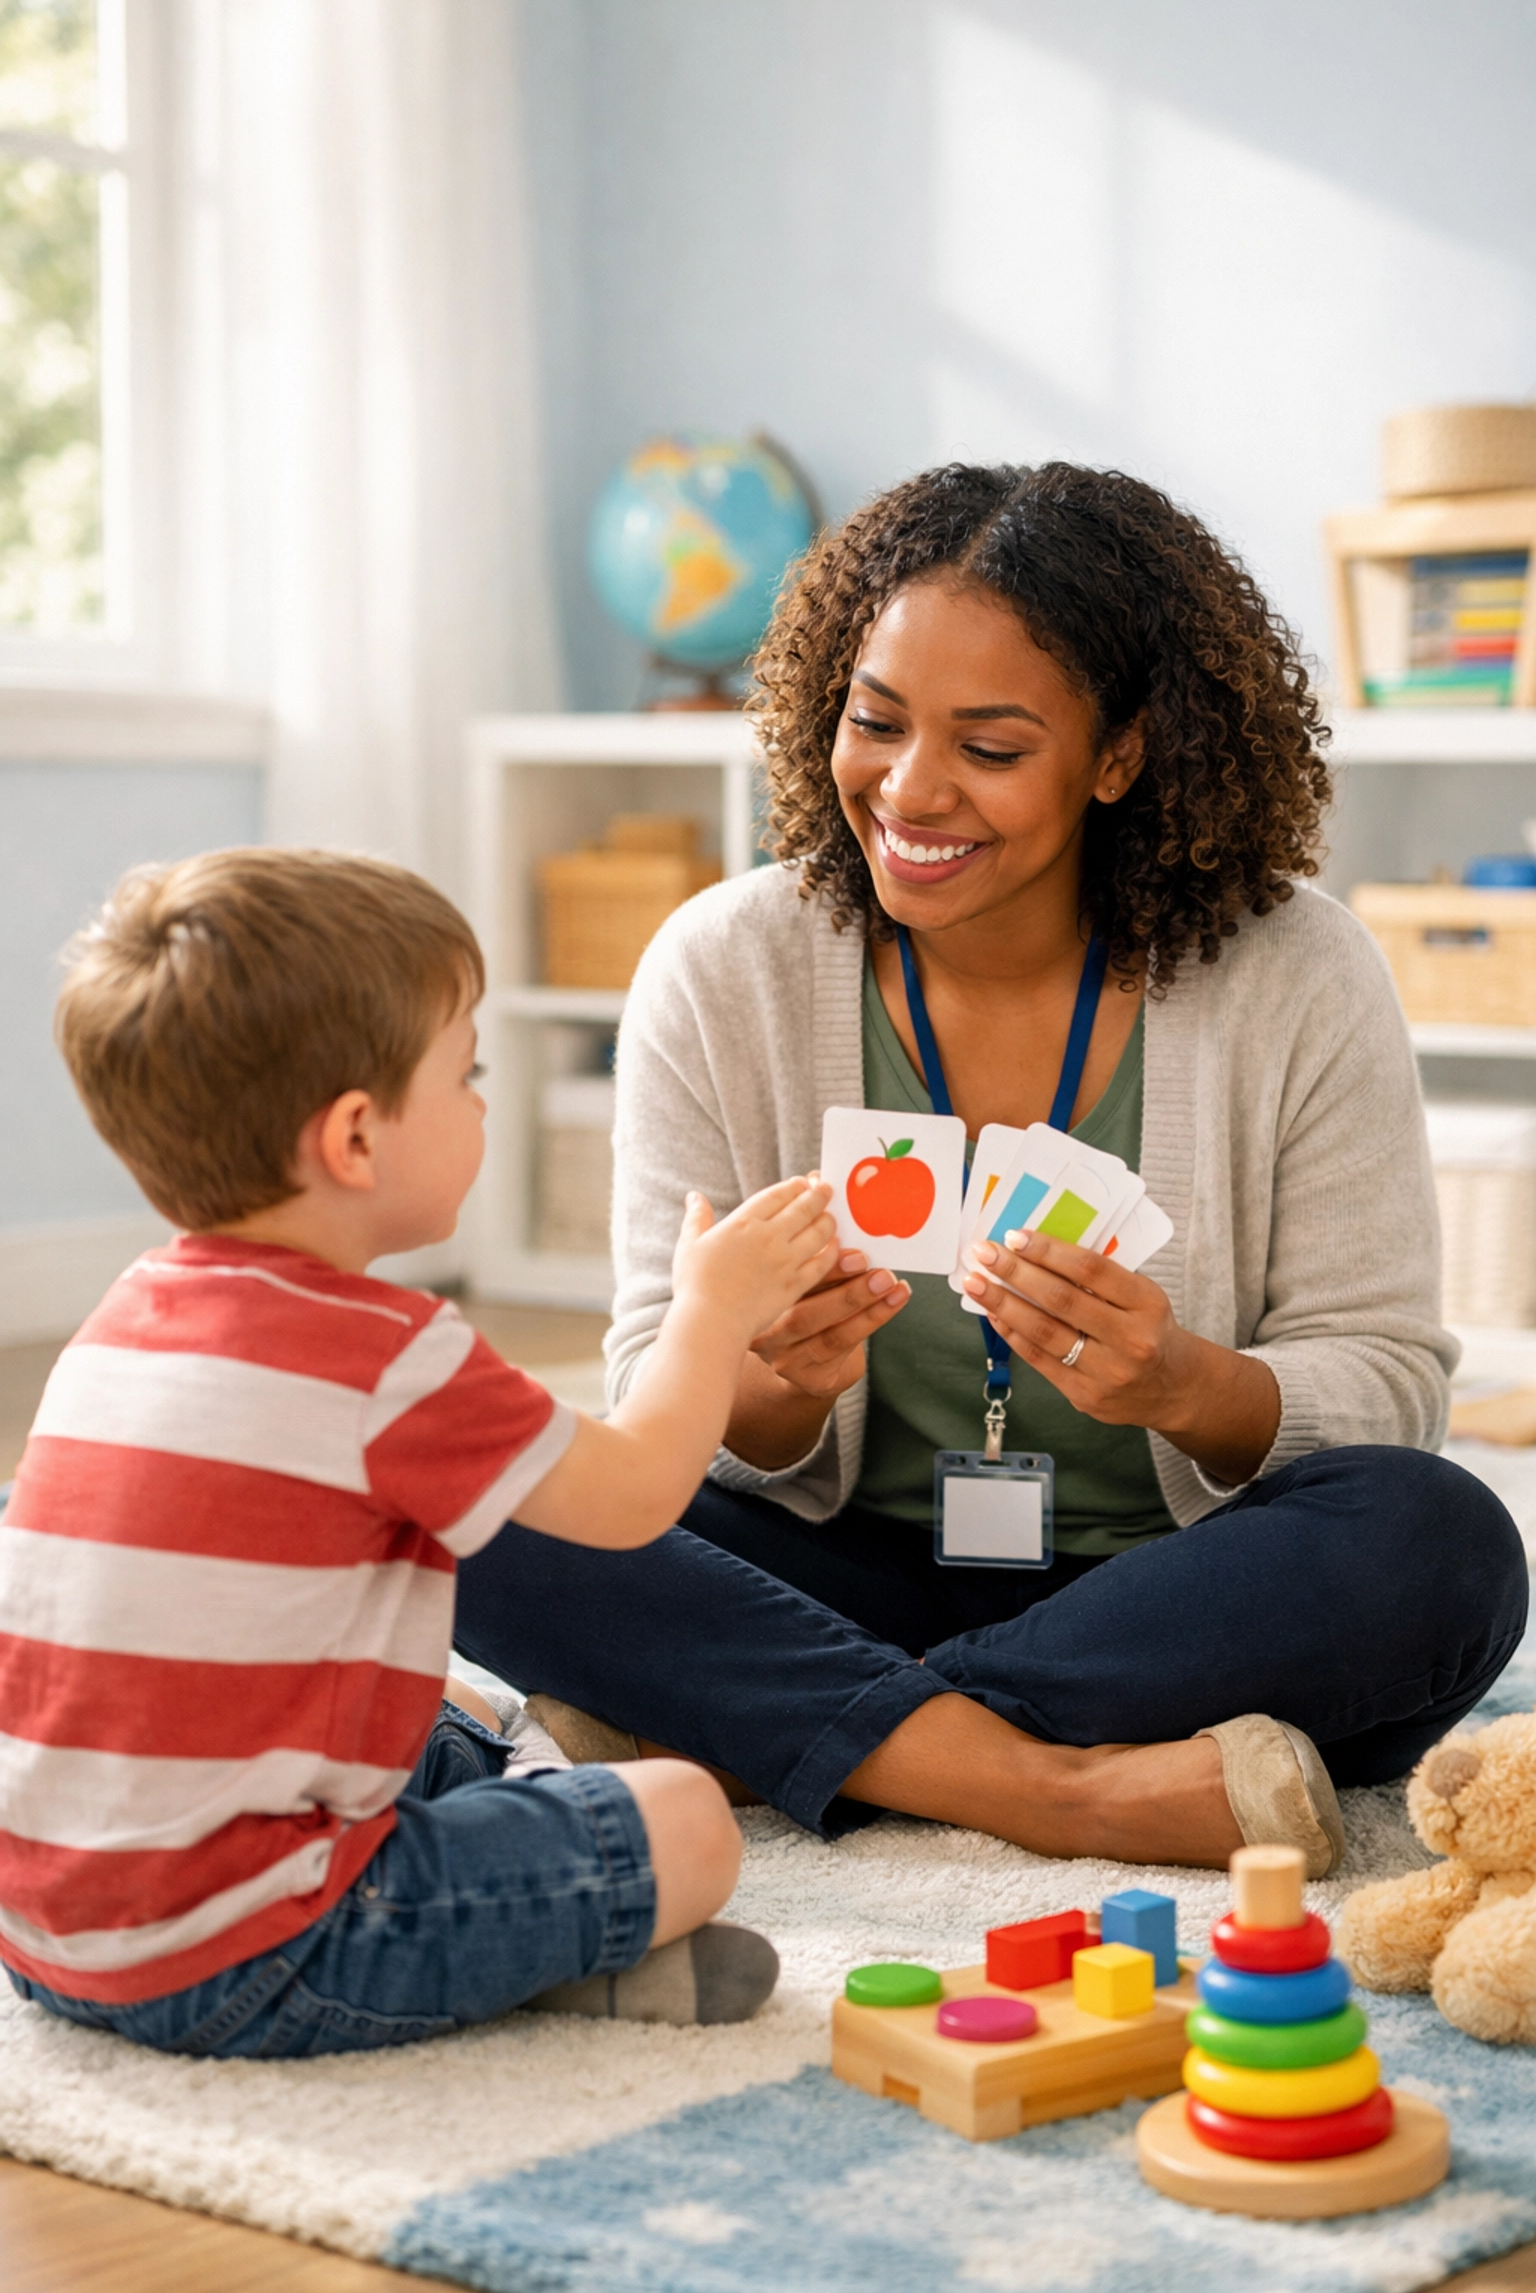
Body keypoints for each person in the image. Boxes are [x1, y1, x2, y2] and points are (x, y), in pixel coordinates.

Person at [455, 461, 1528, 1873]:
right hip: (834, 1562)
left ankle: (773, 1720)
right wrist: (769, 1385)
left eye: (992, 746)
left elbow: (1390, 1384)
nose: (909, 790)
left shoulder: (1298, 971)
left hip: (1171, 1591)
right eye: (876, 721)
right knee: (478, 1506)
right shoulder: (726, 969)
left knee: (1442, 1544)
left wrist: (1185, 1387)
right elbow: (660, 1391)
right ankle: (1053, 1786)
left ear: (1121, 755)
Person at [0, 848, 843, 2057]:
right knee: (689, 1822)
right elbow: (636, 1497)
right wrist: (712, 1312)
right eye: (469, 1071)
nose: (483, 1101)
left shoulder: (119, 1323)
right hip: (256, 1949)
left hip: (50, 1934)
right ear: (355, 1138)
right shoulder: (390, 1356)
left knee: (442, 1708)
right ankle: (524, 1960)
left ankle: (518, 1936)